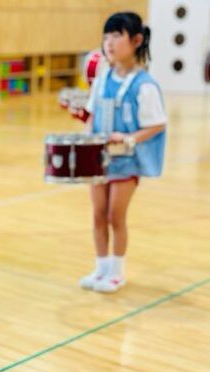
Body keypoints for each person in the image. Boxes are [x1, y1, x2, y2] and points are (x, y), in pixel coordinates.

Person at [81, 12, 166, 293]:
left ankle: (116, 271)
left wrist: (129, 139)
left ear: (137, 40)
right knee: (97, 214)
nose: (109, 42)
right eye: (106, 36)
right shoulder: (103, 78)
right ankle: (101, 267)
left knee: (115, 216)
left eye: (117, 35)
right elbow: (91, 116)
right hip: (99, 160)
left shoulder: (145, 86)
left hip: (126, 161)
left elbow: (156, 124)